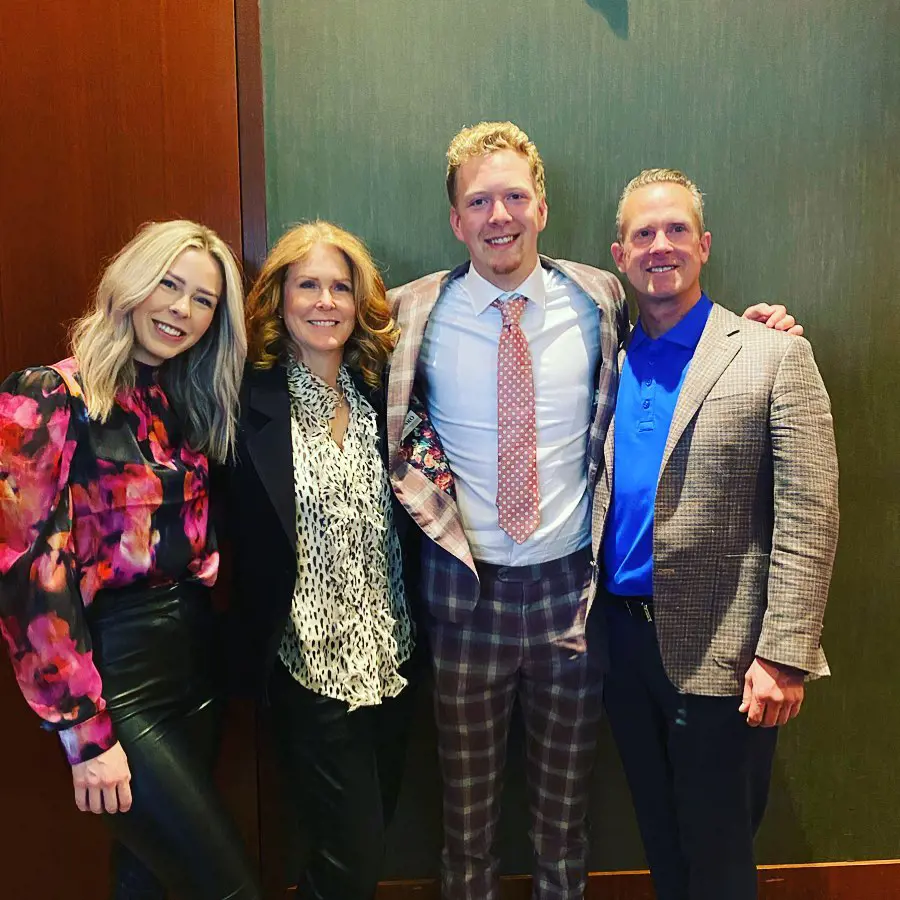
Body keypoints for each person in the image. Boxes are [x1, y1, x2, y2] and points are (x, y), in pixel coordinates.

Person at [385, 121, 801, 900]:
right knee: (465, 820)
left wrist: (760, 332)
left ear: (542, 206)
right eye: (479, 201)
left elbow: (685, 329)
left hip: (571, 601)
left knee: (562, 819)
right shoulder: (410, 313)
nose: (499, 215)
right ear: (455, 220)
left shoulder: (598, 295)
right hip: (461, 593)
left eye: (514, 196)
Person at [0, 220, 261, 900]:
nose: (181, 309)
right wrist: (83, 731)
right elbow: (28, 575)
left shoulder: (185, 400)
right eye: (168, 285)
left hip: (194, 658)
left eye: (203, 300)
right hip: (117, 675)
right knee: (225, 884)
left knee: (149, 877)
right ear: (129, 284)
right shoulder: (49, 395)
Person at [598, 168, 839, 900]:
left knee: (720, 858)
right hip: (622, 644)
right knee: (663, 847)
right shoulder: (606, 361)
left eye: (676, 230)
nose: (660, 245)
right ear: (620, 255)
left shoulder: (772, 354)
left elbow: (811, 512)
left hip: (728, 654)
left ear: (704, 246)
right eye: (644, 233)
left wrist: (785, 655)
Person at [226, 221, 420, 900]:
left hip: (392, 662)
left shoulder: (381, 394)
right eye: (308, 284)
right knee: (350, 862)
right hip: (308, 673)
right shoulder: (246, 404)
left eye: (341, 286)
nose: (325, 301)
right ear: (278, 297)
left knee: (358, 854)